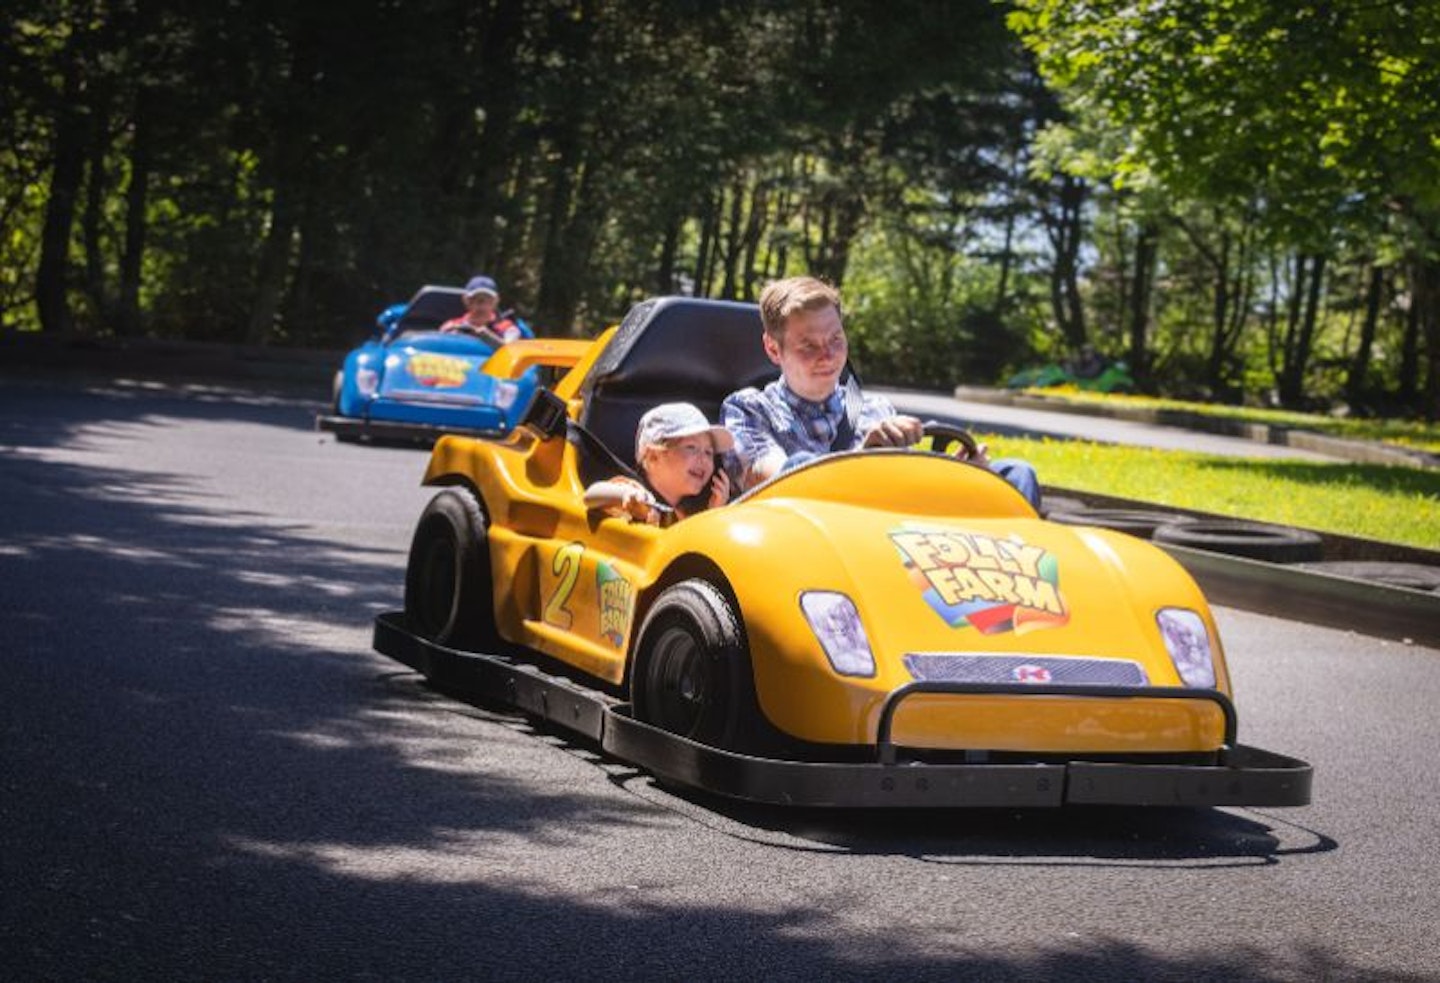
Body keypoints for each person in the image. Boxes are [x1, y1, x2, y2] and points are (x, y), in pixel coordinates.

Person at [720, 275, 1042, 509]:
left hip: (891, 539)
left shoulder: (874, 409)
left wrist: (961, 472)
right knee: (803, 464)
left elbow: (906, 488)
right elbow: (776, 481)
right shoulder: (749, 409)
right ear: (774, 350)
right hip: (809, 546)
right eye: (809, 345)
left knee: (1015, 475)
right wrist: (860, 457)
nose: (828, 355)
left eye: (836, 340)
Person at [584, 402, 734, 527]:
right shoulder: (636, 493)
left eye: (709, 452)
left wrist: (713, 513)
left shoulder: (683, 515)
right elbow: (591, 495)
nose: (704, 459)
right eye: (691, 448)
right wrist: (624, 495)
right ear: (653, 457)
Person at [440, 274, 533, 343]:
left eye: (488, 301)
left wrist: (486, 336)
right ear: (466, 301)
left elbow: (509, 353)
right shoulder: (451, 326)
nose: (482, 306)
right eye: (477, 300)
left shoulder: (507, 329)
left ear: (496, 301)